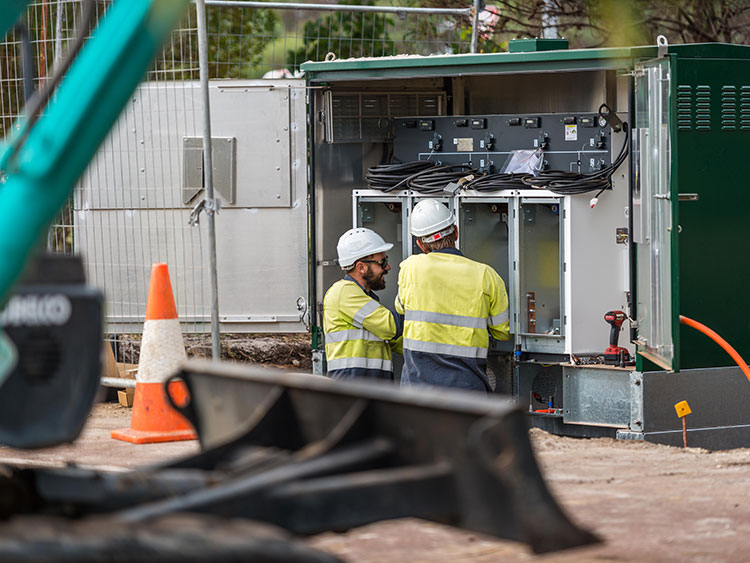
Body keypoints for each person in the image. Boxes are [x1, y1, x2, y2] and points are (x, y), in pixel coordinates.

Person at [396, 199, 510, 392]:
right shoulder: (486, 275)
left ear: (421, 245)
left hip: (417, 393)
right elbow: (502, 331)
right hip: (467, 392)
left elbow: (401, 309)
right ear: (456, 232)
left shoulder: (410, 267)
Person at [323, 228, 402, 381]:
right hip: (352, 391)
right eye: (382, 262)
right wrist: (413, 291)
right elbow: (392, 327)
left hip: (368, 388)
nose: (387, 267)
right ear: (361, 267)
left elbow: (395, 341)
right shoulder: (344, 292)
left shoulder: (366, 299)